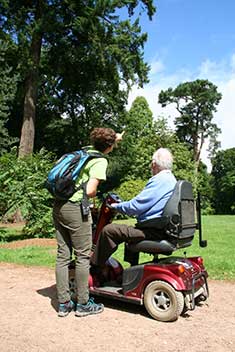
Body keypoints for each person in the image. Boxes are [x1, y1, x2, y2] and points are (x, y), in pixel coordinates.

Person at [53, 127, 124, 317]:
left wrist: (115, 137)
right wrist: (91, 192)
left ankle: (64, 304)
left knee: (62, 255)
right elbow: (91, 190)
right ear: (109, 147)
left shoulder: (85, 152)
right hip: (75, 208)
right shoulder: (100, 160)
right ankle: (83, 303)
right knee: (83, 256)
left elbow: (104, 141)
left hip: (59, 206)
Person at [91, 147, 177, 267]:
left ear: (153, 164)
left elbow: (136, 207)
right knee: (128, 233)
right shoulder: (172, 179)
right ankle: (130, 273)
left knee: (109, 230)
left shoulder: (160, 180)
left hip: (152, 231)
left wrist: (116, 206)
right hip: (160, 229)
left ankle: (94, 267)